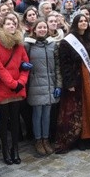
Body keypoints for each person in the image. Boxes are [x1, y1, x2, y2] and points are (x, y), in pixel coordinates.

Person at [55, 14, 90, 152]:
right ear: (75, 23)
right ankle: (79, 138)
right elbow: (65, 65)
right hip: (76, 79)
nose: (83, 23)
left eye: (85, 21)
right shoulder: (67, 42)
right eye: (80, 21)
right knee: (76, 111)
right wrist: (69, 83)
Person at [0, 14, 29, 165]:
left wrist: (21, 82)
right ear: (2, 26)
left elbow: (26, 64)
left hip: (18, 86)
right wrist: (13, 83)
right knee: (4, 121)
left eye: (13, 23)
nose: (11, 26)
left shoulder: (19, 43)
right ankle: (5, 150)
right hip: (4, 87)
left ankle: (15, 149)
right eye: (8, 23)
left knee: (15, 119)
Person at [25, 20, 61, 156]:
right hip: (35, 83)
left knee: (47, 114)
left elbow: (58, 66)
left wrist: (59, 85)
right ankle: (38, 140)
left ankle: (46, 139)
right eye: (39, 27)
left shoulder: (52, 44)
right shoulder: (28, 44)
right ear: (34, 29)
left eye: (44, 27)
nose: (42, 29)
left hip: (50, 83)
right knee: (37, 113)